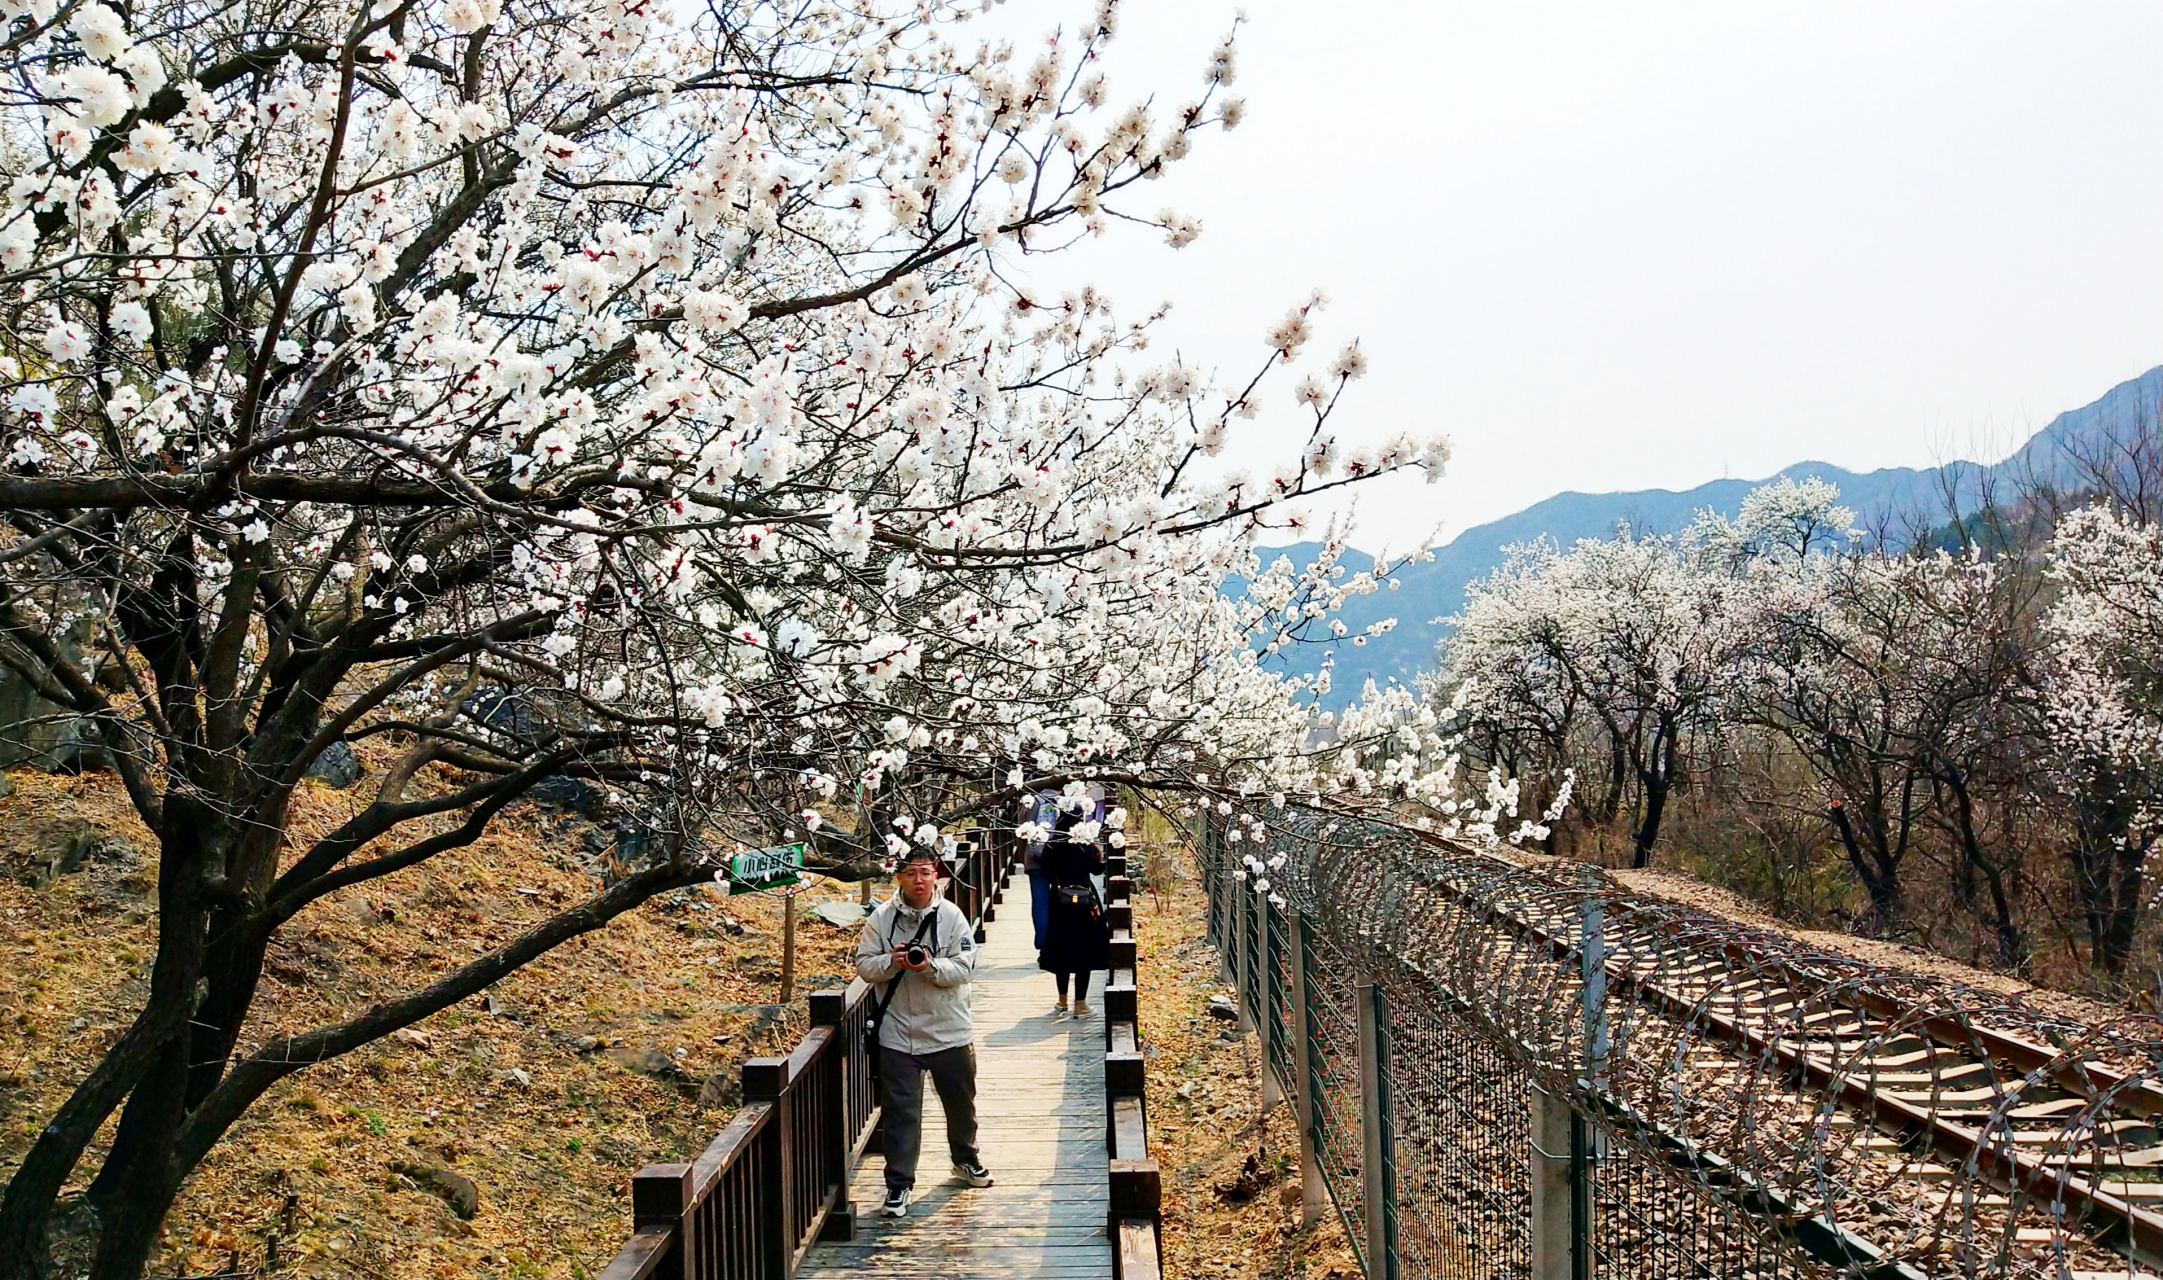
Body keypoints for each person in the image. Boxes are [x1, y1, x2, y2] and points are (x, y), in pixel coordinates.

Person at [855, 847, 994, 1219]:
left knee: (961, 1104)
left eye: (926, 872)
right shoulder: (881, 920)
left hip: (949, 1029)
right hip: (898, 1034)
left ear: (937, 876)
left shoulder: (951, 917)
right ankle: (898, 1185)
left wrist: (930, 966)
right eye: (911, 872)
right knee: (901, 1113)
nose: (919, 880)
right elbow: (865, 964)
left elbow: (963, 967)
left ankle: (966, 1159)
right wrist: (891, 962)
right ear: (898, 877)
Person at [1036, 808, 1111, 1017]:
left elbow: (1046, 870)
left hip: (1059, 902)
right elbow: (1097, 869)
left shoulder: (1052, 844)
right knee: (1083, 952)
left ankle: (1062, 1001)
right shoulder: (1083, 844)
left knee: (1061, 950)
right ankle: (1080, 1004)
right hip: (1083, 904)